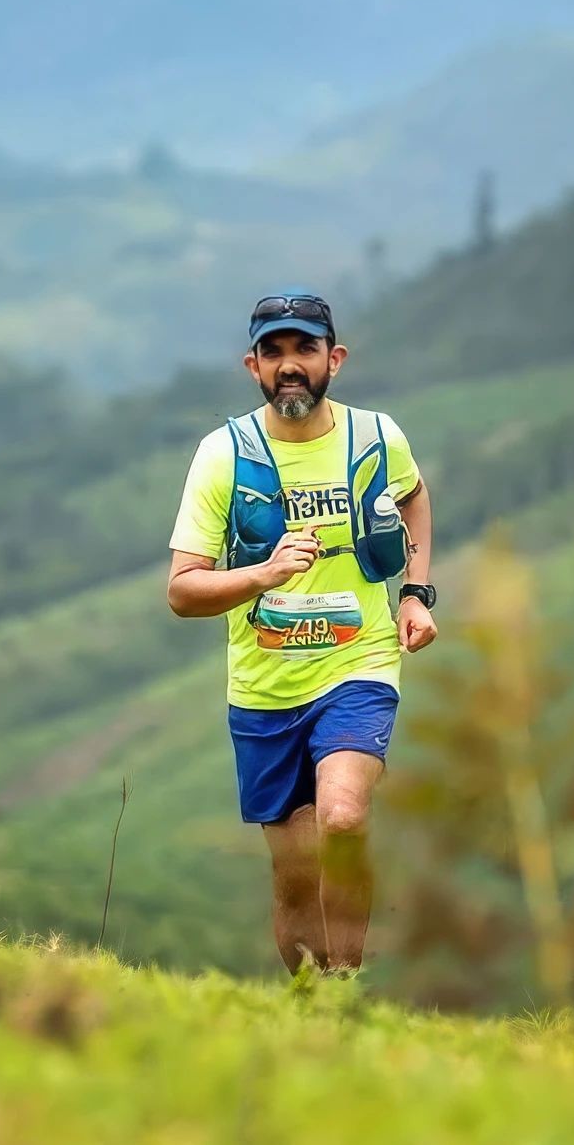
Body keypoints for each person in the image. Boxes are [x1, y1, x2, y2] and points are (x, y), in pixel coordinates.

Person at [166, 289, 438, 975]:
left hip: (359, 666)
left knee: (342, 821)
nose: (290, 366)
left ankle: (345, 994)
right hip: (265, 688)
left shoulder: (376, 436)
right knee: (293, 876)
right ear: (252, 365)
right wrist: (262, 575)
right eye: (275, 352)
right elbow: (183, 591)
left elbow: (411, 493)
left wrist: (414, 592)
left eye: (305, 350)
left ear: (334, 359)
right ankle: (312, 1010)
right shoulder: (223, 455)